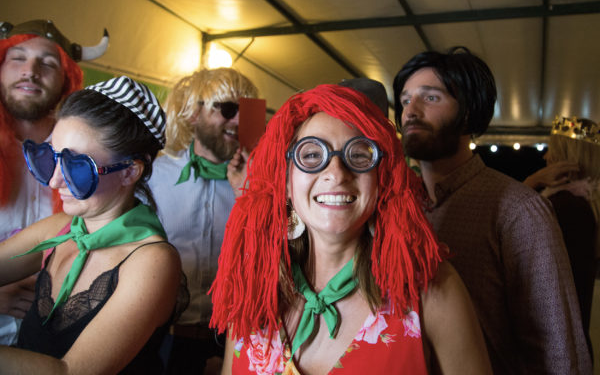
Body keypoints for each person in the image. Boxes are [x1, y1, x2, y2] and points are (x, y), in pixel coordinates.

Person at [210, 84, 492, 374]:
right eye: (311, 155)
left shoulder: (432, 291)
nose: (335, 173)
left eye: (358, 155)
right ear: (285, 182)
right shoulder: (253, 284)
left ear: (381, 177)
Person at [393, 47, 592, 374]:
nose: (411, 111)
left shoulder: (520, 211)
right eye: (404, 100)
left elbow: (559, 352)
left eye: (430, 98)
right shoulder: (401, 208)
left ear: (468, 114)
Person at [0, 76, 186, 374]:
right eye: (51, 158)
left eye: (76, 166)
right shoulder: (60, 228)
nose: (53, 181)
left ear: (129, 172)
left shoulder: (152, 261)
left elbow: (70, 371)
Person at [0, 19, 108, 345]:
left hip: (57, 345)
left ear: (66, 80)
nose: (30, 71)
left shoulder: (93, 157)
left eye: (48, 63)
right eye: (17, 58)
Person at [147, 68, 258, 374]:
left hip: (230, 339)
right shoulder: (154, 176)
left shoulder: (259, 183)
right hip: (161, 339)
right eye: (227, 109)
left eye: (244, 112)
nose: (237, 122)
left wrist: (252, 196)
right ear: (194, 114)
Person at [524, 115, 600, 354]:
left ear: (568, 160)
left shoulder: (565, 207)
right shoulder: (582, 204)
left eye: (552, 150)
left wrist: (530, 182)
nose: (546, 157)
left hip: (550, 347)